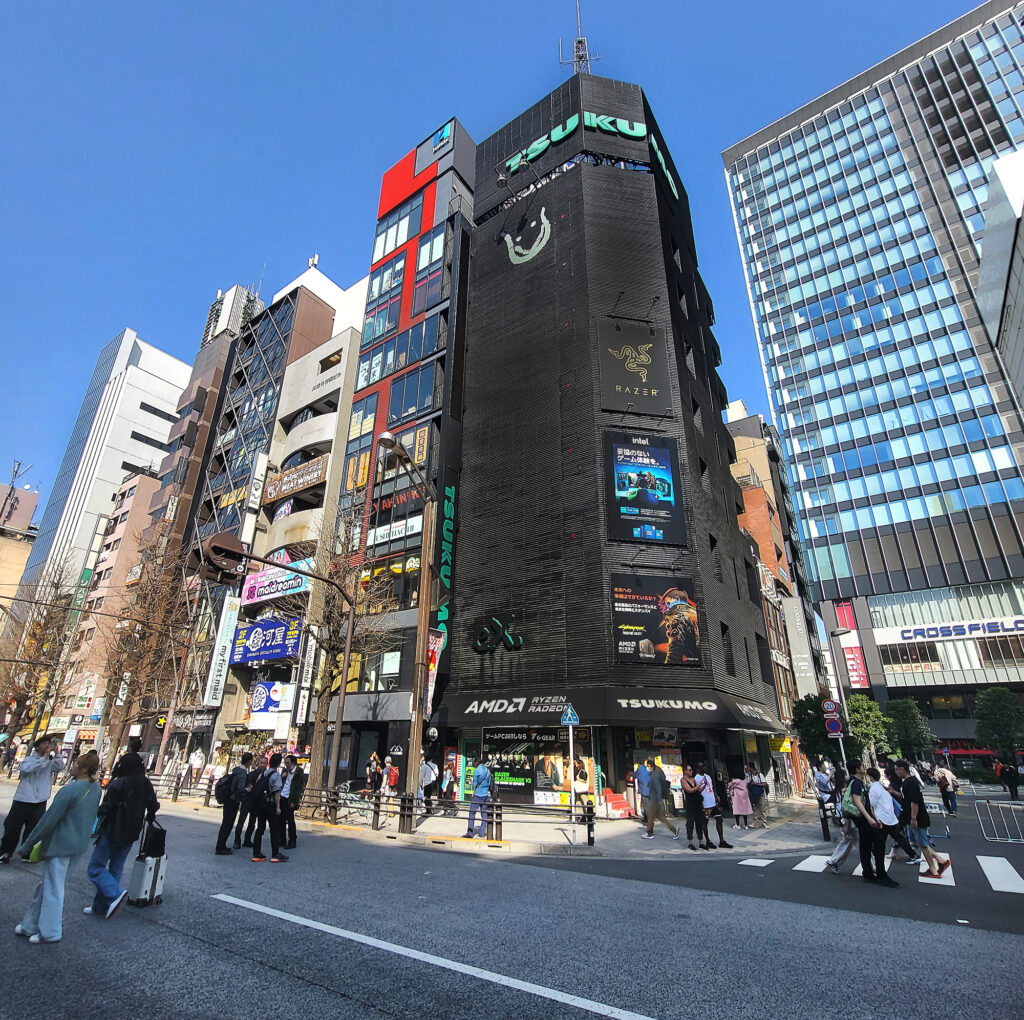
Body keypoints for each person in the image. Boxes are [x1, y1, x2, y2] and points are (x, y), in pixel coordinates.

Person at [14, 751, 102, 943]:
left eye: (76, 764)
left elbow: (48, 820)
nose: (73, 766)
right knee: (49, 885)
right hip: (78, 843)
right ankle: (30, 925)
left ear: (83, 769)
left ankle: (50, 932)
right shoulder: (95, 790)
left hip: (61, 843)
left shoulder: (69, 791)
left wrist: (27, 844)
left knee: (53, 887)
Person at [88, 751, 158, 915]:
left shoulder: (119, 782)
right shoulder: (145, 782)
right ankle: (101, 906)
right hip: (132, 830)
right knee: (116, 868)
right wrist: (149, 815)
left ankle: (115, 894)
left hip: (113, 828)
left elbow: (106, 807)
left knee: (96, 867)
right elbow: (153, 804)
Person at [1, 736, 64, 864]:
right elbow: (26, 769)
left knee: (33, 829)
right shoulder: (30, 759)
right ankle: (6, 852)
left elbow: (59, 767)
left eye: (49, 744)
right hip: (23, 799)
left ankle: (27, 852)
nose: (47, 746)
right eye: (44, 744)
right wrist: (45, 758)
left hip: (40, 800)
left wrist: (56, 754)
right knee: (12, 827)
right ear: (37, 746)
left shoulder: (50, 760)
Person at [846, 758, 897, 887]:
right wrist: (870, 818)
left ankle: (868, 872)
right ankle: (880, 874)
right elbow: (858, 802)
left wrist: (874, 817)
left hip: (865, 818)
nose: (864, 768)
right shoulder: (856, 783)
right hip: (863, 819)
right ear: (857, 769)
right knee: (876, 845)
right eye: (862, 766)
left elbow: (866, 803)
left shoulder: (858, 782)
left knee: (866, 845)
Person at [895, 760, 950, 879]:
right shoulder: (908, 783)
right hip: (910, 817)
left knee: (923, 844)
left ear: (902, 769)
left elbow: (915, 802)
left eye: (896, 769)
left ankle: (934, 869)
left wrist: (914, 818)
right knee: (917, 842)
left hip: (917, 817)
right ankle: (940, 861)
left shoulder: (911, 783)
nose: (896, 772)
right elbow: (907, 799)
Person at [866, 767, 918, 864]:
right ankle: (913, 854)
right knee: (897, 837)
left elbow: (872, 803)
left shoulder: (874, 788)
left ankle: (876, 858)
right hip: (889, 817)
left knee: (880, 841)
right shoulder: (882, 787)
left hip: (881, 818)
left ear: (870, 777)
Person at [250, 753, 287, 864]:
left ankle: (256, 853)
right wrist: (278, 807)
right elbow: (276, 792)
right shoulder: (276, 775)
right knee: (274, 829)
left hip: (261, 804)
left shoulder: (264, 773)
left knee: (260, 828)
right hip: (270, 805)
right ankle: (275, 854)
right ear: (279, 763)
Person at [215, 752, 252, 855]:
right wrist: (247, 790)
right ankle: (221, 846)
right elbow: (240, 789)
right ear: (249, 762)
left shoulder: (235, 770)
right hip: (233, 800)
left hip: (227, 799)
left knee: (225, 823)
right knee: (228, 824)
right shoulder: (242, 774)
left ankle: (221, 845)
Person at [826, 767, 858, 875]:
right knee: (859, 843)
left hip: (843, 820)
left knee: (847, 841)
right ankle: (873, 866)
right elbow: (846, 809)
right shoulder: (846, 791)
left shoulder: (838, 791)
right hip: (849, 820)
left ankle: (833, 861)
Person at [695, 762, 732, 849]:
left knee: (719, 819)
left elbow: (711, 787)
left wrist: (715, 796)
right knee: (705, 822)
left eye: (704, 766)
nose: (703, 768)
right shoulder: (696, 778)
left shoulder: (708, 776)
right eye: (701, 767)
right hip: (705, 803)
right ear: (697, 769)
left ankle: (722, 840)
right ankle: (708, 841)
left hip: (712, 801)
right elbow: (697, 791)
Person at [234, 755, 266, 849]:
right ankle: (237, 840)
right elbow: (248, 786)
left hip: (257, 801)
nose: (262, 765)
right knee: (241, 820)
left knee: (252, 822)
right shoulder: (251, 774)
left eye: (264, 763)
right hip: (248, 799)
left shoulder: (265, 776)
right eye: (260, 763)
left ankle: (247, 840)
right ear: (257, 763)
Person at [281, 755, 306, 849]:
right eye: (285, 762)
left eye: (288, 762)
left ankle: (292, 840)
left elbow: (299, 788)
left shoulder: (298, 772)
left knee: (290, 820)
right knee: (281, 819)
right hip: (283, 795)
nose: (286, 764)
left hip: (290, 797)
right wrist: (283, 776)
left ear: (293, 763)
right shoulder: (285, 771)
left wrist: (295, 800)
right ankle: (282, 839)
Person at [465, 758, 493, 839]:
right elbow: (488, 783)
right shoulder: (488, 771)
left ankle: (470, 833)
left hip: (477, 795)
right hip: (485, 795)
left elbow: (474, 784)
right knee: (484, 814)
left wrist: (472, 781)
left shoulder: (476, 771)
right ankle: (482, 832)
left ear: (475, 764)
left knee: (472, 813)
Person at [680, 763, 706, 850]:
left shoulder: (693, 779)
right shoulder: (683, 780)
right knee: (690, 822)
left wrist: (704, 785)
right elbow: (690, 790)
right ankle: (690, 842)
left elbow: (699, 790)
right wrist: (699, 784)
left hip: (697, 802)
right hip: (690, 803)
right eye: (690, 770)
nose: (692, 771)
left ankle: (701, 841)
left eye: (692, 770)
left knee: (699, 822)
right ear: (685, 771)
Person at [745, 762, 770, 829]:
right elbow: (747, 783)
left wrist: (755, 784)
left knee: (762, 808)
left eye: (748, 767)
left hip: (761, 794)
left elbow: (764, 784)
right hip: (753, 795)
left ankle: (764, 823)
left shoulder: (760, 775)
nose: (747, 768)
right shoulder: (749, 775)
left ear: (751, 767)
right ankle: (755, 822)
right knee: (755, 809)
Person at [634, 759, 652, 830]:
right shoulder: (647, 769)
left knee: (645, 804)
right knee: (648, 804)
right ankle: (645, 818)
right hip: (650, 789)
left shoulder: (639, 769)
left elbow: (635, 775)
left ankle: (648, 820)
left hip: (644, 789)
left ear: (638, 764)